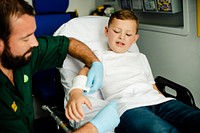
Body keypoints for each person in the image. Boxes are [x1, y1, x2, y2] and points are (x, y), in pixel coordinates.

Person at [66, 9, 200, 133]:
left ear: (134, 38)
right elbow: (84, 71)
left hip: (159, 102)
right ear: (106, 31)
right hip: (128, 107)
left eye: (128, 34)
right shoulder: (98, 56)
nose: (121, 37)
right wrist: (76, 93)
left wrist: (163, 100)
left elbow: (152, 85)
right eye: (116, 31)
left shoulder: (140, 57)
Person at [0, 0, 104, 133]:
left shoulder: (23, 55)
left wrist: (95, 62)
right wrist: (93, 128)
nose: (35, 43)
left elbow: (68, 43)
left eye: (33, 34)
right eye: (25, 38)